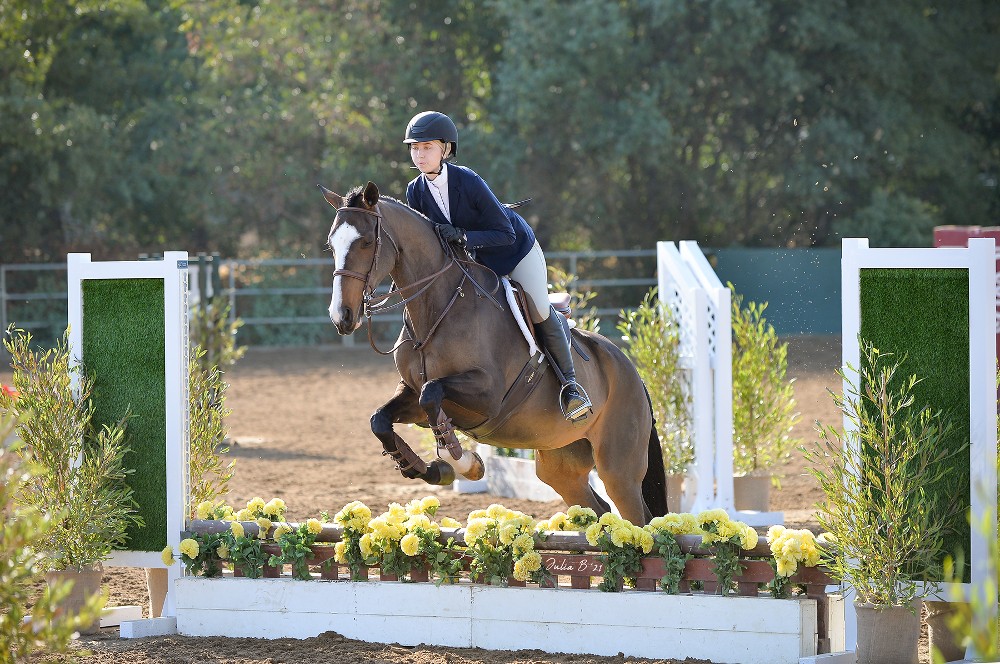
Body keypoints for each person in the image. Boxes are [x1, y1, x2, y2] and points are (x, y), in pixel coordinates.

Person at [403, 110, 591, 422]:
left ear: (445, 149)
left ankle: (571, 386)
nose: (419, 154)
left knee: (539, 309)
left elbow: (504, 233)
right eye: (414, 148)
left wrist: (462, 236)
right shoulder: (415, 191)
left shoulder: (469, 182)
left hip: (514, 253)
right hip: (475, 263)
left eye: (427, 147)